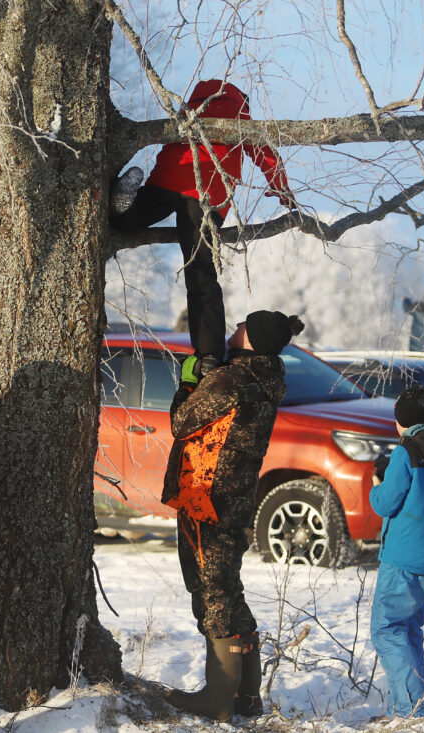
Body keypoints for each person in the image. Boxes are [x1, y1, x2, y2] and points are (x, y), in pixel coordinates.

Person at [160, 310, 304, 721]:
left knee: (212, 593)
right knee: (228, 589)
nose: (235, 328)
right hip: (236, 499)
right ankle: (246, 696)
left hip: (207, 497)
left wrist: (189, 382)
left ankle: (220, 697)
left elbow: (181, 422)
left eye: (243, 325)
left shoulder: (229, 380)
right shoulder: (265, 378)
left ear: (252, 339)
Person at [111, 80, 298, 379]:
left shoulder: (189, 110)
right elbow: (263, 151)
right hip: (207, 195)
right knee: (200, 274)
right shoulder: (240, 118)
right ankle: (209, 354)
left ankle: (122, 205)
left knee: (130, 221)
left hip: (168, 178)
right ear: (243, 102)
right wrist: (282, 189)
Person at [369, 385, 424, 719]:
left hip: (400, 561)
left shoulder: (405, 453)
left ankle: (411, 710)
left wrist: (377, 482)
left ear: (402, 423)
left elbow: (386, 503)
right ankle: (412, 705)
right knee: (409, 631)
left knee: (387, 629)